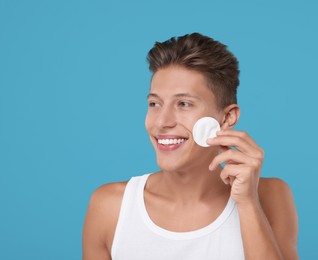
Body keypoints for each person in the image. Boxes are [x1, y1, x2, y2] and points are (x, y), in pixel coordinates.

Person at [82, 32, 299, 260]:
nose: (162, 122)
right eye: (154, 103)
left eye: (184, 104)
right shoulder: (110, 206)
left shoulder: (271, 196)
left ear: (227, 118)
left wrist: (248, 204)